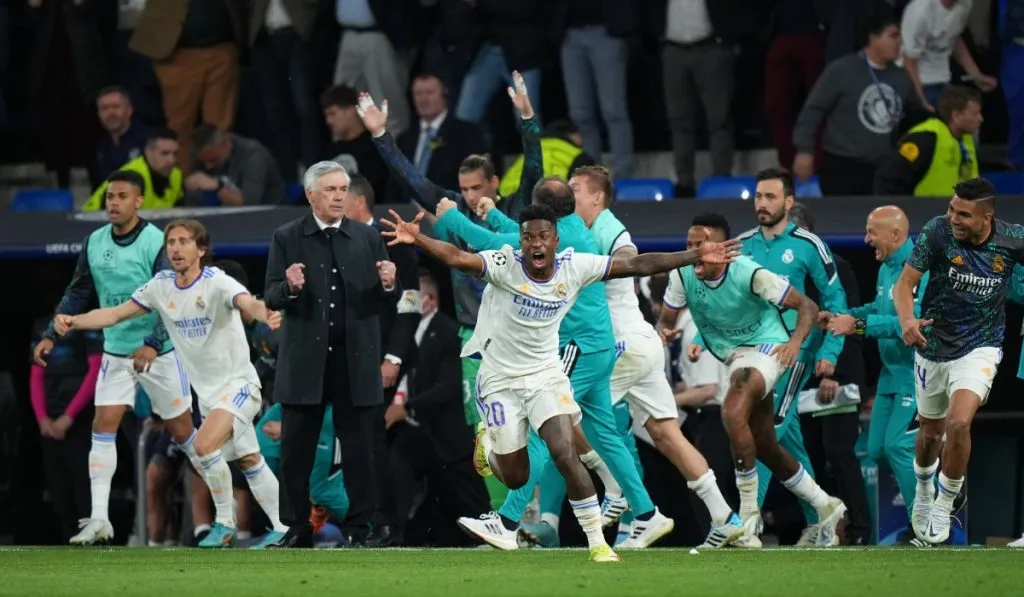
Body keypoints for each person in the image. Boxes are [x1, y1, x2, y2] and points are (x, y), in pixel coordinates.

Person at [378, 203, 742, 561]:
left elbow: (637, 264)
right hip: (500, 380)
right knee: (515, 476)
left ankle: (597, 543)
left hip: (545, 376)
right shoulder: (505, 264)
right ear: (521, 242)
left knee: (565, 451)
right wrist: (419, 239)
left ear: (555, 240)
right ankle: (490, 446)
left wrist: (693, 256)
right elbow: (458, 257)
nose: (535, 243)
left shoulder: (574, 266)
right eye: (528, 237)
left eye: (543, 236)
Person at [433, 180, 674, 550]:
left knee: (545, 434)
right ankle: (645, 512)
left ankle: (508, 520)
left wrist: (450, 217)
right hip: (602, 343)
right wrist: (493, 212)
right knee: (604, 433)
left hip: (575, 345)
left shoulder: (552, 242)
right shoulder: (572, 232)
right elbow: (512, 234)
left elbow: (492, 242)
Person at [359, 75, 540, 507]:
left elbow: (534, 168)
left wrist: (528, 119)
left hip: (519, 335)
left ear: (495, 184)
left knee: (531, 422)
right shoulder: (453, 208)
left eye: (478, 188)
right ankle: (502, 512)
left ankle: (535, 511)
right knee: (486, 428)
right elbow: (411, 179)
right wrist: (382, 136)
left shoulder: (514, 210)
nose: (471, 196)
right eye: (465, 189)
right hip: (472, 336)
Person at [54, 219, 289, 549]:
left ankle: (225, 524)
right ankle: (282, 526)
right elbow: (115, 314)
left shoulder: (217, 282)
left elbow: (247, 302)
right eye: (171, 243)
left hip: (239, 386)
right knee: (250, 460)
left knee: (203, 446)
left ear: (201, 250)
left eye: (184, 242)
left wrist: (267, 313)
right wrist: (73, 321)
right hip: (209, 397)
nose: (176, 249)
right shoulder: (160, 286)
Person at [545, 165, 743, 549]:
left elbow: (628, 254)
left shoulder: (609, 228)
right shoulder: (578, 230)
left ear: (598, 197)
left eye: (576, 189)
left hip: (620, 344)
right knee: (666, 434)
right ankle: (725, 517)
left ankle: (616, 491)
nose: (570, 195)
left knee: (557, 413)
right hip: (642, 342)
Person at [662, 168, 847, 546]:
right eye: (689, 244)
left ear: (722, 248)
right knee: (766, 442)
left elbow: (811, 304)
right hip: (734, 352)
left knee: (735, 410)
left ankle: (747, 517)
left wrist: (800, 344)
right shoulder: (688, 270)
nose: (693, 251)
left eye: (701, 244)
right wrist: (681, 334)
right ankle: (825, 506)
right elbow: (685, 315)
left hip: (774, 346)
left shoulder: (750, 269)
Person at [32, 170, 201, 546]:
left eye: (122, 196)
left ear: (139, 202)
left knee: (184, 434)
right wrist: (51, 335)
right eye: (110, 196)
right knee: (103, 426)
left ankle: (224, 512)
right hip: (116, 351)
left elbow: (171, 299)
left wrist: (153, 343)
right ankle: (99, 520)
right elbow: (78, 291)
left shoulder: (156, 242)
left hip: (160, 353)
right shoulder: (94, 241)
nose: (113, 202)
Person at [263, 161, 399, 548]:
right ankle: (296, 528)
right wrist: (289, 287)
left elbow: (386, 299)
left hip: (355, 361)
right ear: (311, 195)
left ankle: (359, 527)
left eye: (342, 189)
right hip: (305, 361)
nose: (339, 196)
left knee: (359, 449)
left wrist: (390, 284)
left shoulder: (367, 238)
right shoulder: (286, 237)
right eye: (330, 190)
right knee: (296, 451)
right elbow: (271, 295)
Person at [893, 177, 1024, 544]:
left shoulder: (1013, 239)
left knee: (959, 422)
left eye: (963, 214)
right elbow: (904, 284)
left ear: (986, 218)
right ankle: (923, 489)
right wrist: (907, 320)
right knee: (930, 434)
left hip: (981, 346)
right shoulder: (937, 231)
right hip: (933, 345)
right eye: (952, 209)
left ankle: (944, 503)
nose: (954, 218)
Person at [821, 205, 928, 544]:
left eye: (871, 232)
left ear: (895, 235)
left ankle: (925, 526)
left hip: (916, 371)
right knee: (878, 449)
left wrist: (856, 325)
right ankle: (936, 487)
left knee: (898, 446)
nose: (866, 240)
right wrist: (841, 316)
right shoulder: (886, 269)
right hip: (889, 373)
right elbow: (876, 308)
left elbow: (909, 325)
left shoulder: (919, 270)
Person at [791, 13, 915, 195]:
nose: (900, 42)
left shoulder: (902, 78)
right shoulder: (841, 71)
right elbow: (813, 111)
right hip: (843, 167)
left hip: (884, 168)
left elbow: (910, 120)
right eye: (893, 35)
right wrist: (804, 151)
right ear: (873, 38)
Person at [874, 85, 983, 196]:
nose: (980, 119)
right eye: (975, 114)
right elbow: (888, 179)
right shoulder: (925, 138)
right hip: (924, 206)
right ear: (956, 116)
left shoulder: (966, 140)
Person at [84, 127, 184, 212]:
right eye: (164, 153)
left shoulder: (176, 175)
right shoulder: (130, 179)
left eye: (175, 153)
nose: (171, 160)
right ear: (148, 152)